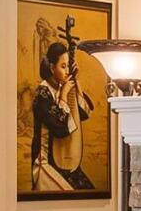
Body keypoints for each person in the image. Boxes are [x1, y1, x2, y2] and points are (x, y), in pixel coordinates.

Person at [28, 40, 97, 193]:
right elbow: (61, 128)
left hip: (65, 160)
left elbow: (84, 114)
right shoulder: (43, 93)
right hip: (47, 163)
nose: (66, 71)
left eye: (68, 67)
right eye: (63, 66)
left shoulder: (62, 86)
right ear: (52, 68)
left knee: (88, 192)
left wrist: (75, 84)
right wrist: (64, 95)